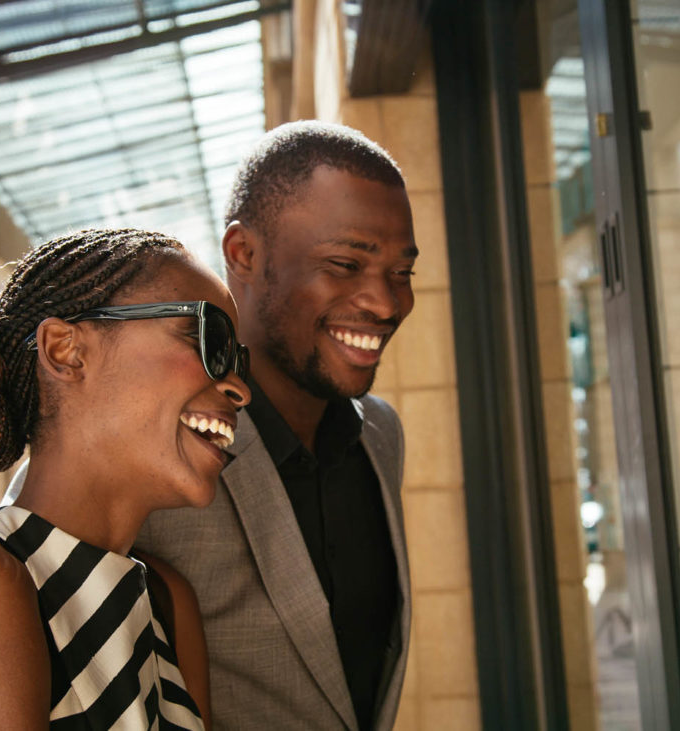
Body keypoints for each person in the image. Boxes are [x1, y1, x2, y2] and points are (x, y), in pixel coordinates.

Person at [0, 229, 251, 729]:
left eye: (240, 361)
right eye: (208, 339)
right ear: (65, 350)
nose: (239, 387)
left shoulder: (166, 601)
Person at [135, 121, 418, 730]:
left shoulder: (381, 437)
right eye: (346, 263)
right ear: (244, 255)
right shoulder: (154, 442)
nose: (387, 302)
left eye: (403, 272)